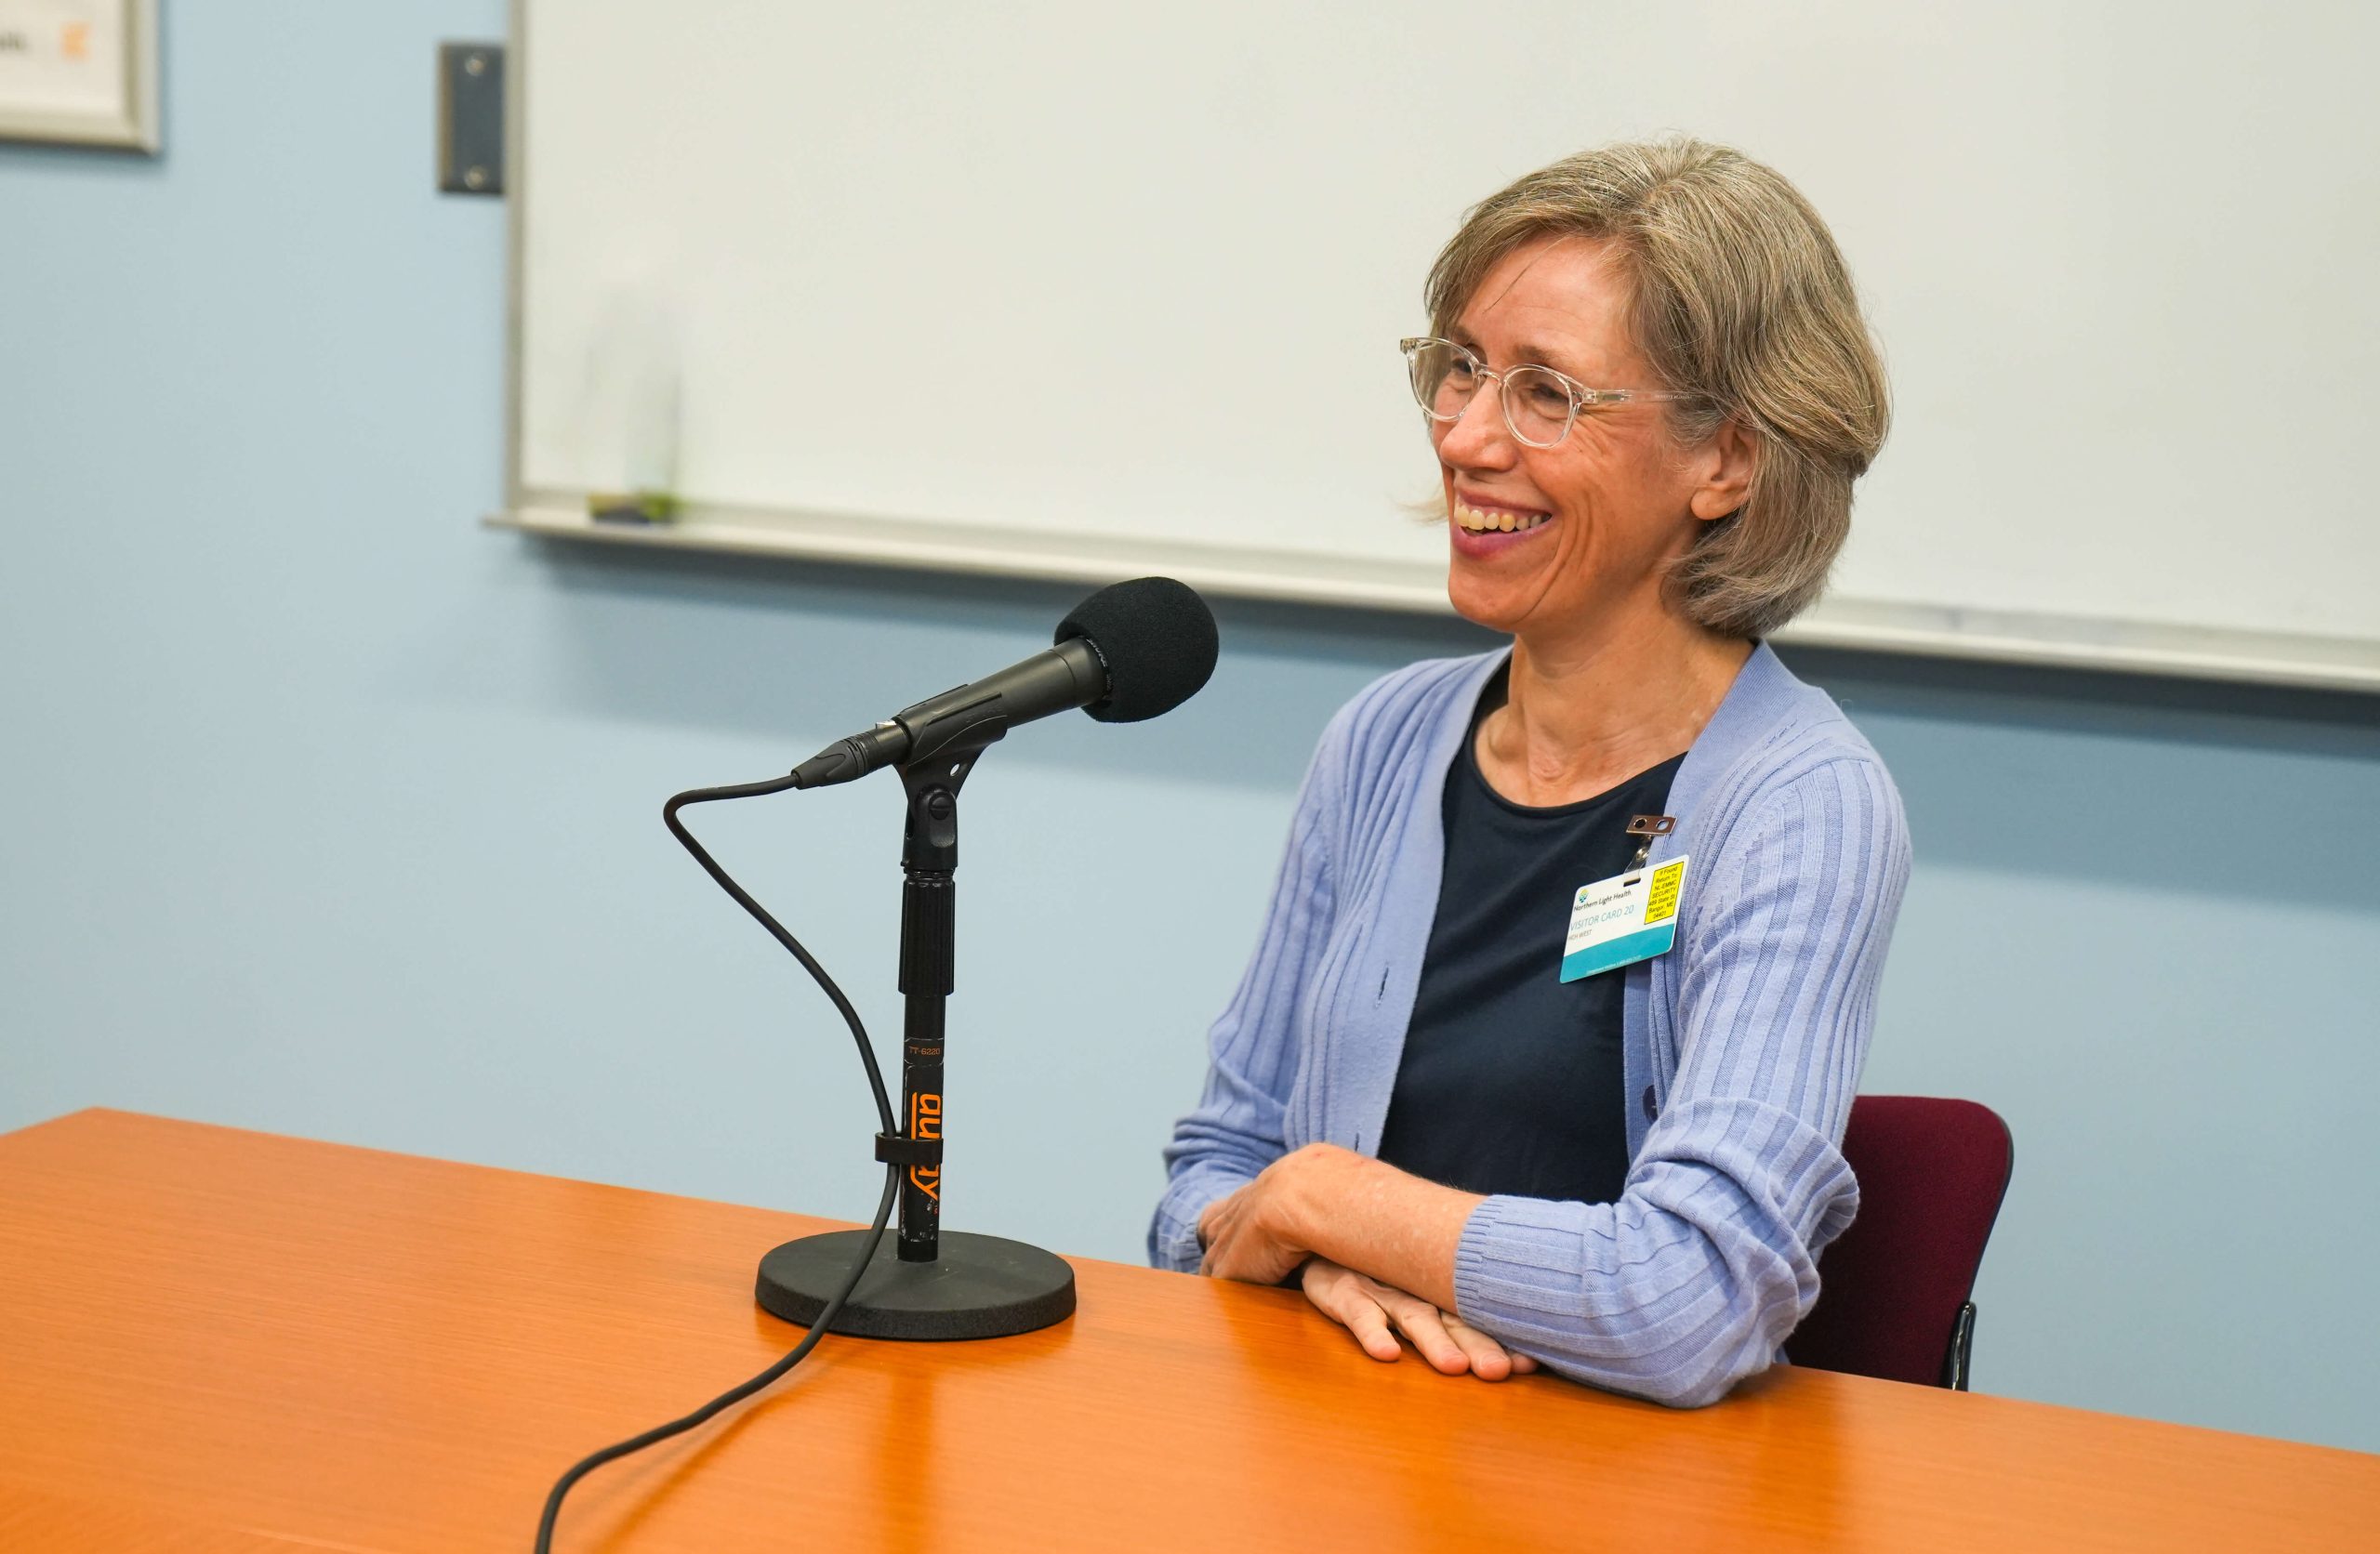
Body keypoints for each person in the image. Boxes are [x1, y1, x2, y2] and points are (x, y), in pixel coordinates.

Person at [1149, 138, 1909, 1408]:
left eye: (1546, 393)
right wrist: (1304, 1253)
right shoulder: (1387, 743)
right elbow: (1211, 1181)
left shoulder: (1801, 806)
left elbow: (1690, 1301)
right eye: (1459, 370)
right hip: (1335, 1452)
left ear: (1726, 458)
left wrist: (1336, 1203)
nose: (1463, 437)